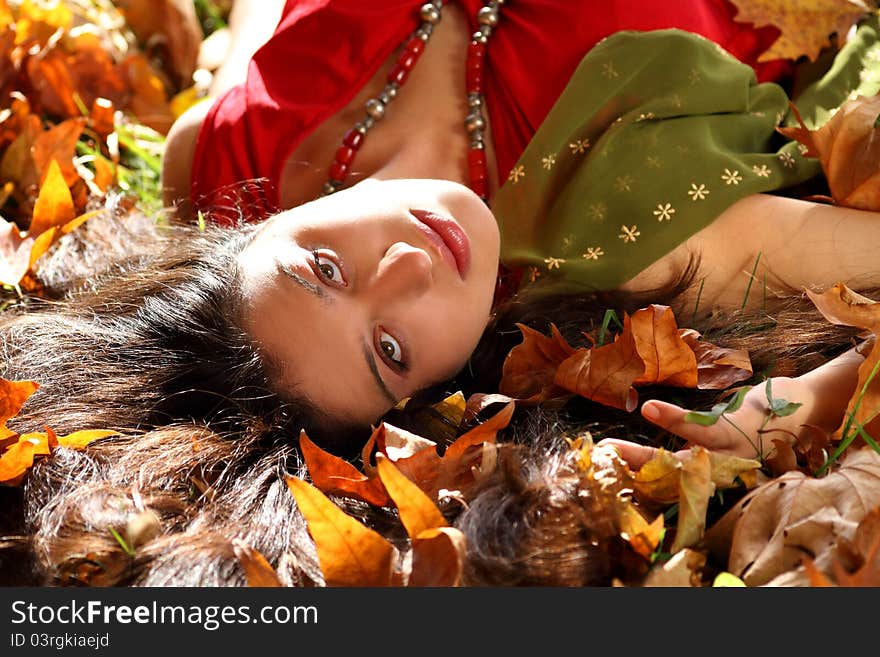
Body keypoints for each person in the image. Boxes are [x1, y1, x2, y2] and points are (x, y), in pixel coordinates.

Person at [0, 0, 878, 586]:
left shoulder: (229, 153)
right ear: (440, 396)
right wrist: (828, 390)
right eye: (390, 347)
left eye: (324, 270)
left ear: (252, 228)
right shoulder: (644, 235)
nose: (409, 267)